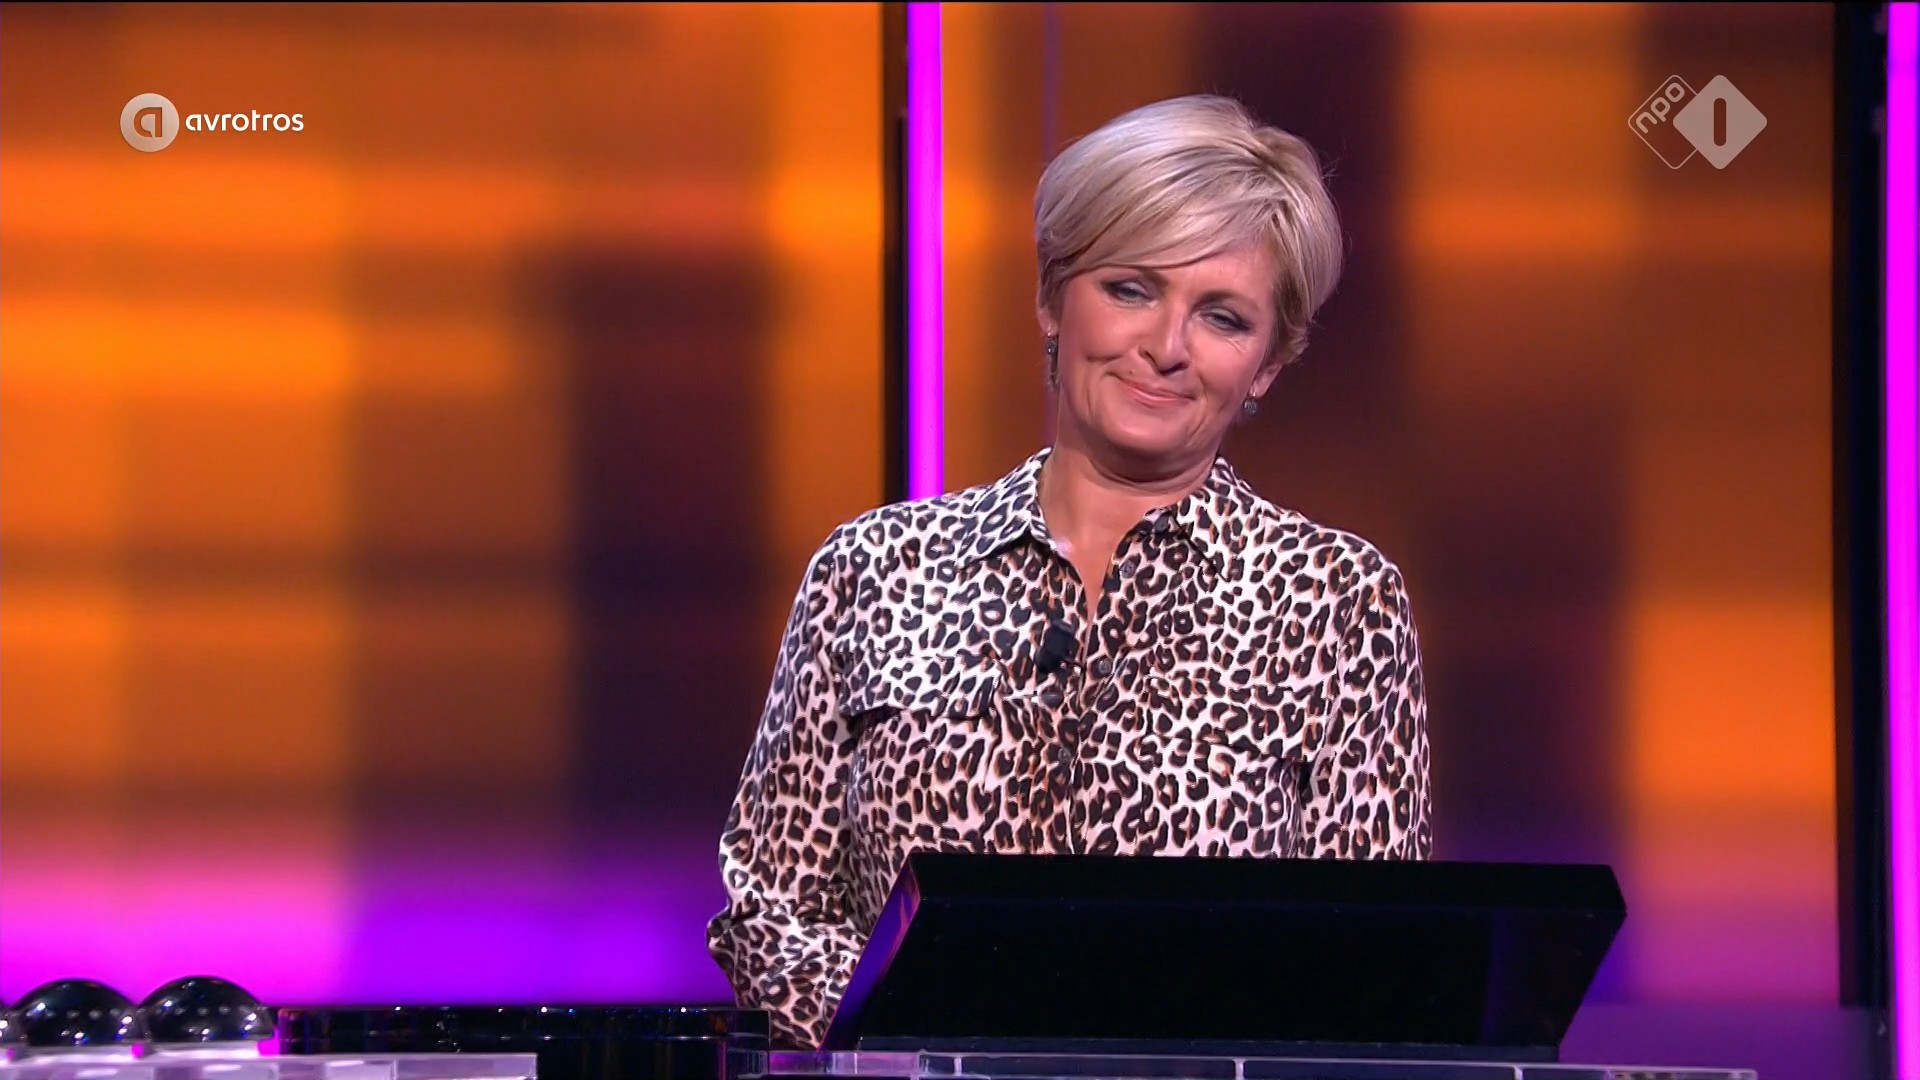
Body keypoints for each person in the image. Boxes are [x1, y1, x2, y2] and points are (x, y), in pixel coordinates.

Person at [706, 93, 1432, 1050]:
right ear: (1053, 298)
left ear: (1266, 364)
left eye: (1221, 317)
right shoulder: (873, 570)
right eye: (1130, 289)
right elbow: (770, 912)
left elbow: (1371, 965)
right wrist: (931, 1036)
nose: (1165, 348)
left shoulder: (1339, 599)